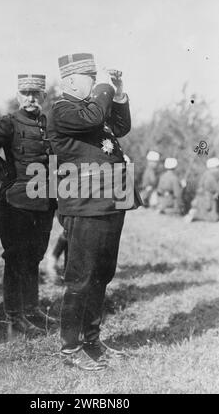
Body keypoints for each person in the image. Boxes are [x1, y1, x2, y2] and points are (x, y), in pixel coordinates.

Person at [48, 52, 143, 371]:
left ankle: (91, 340)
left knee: (102, 273)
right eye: (92, 78)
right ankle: (70, 348)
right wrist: (104, 86)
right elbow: (92, 119)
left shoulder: (92, 107)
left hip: (111, 198)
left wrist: (117, 91)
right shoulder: (63, 109)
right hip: (86, 201)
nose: (96, 84)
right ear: (72, 81)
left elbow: (120, 126)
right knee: (81, 277)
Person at [0, 73, 57, 337]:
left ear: (43, 96)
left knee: (35, 257)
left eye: (35, 93)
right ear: (19, 95)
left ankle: (31, 309)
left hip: (43, 204)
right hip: (15, 204)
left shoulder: (47, 123)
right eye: (25, 93)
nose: (31, 98)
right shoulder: (10, 123)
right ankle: (14, 316)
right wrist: (5, 174)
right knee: (16, 258)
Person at [185, 157, 219, 223]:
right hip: (208, 201)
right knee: (215, 218)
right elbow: (217, 190)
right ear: (213, 167)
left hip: (201, 201)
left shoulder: (205, 175)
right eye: (217, 167)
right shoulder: (211, 177)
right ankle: (196, 215)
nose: (218, 169)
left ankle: (195, 214)